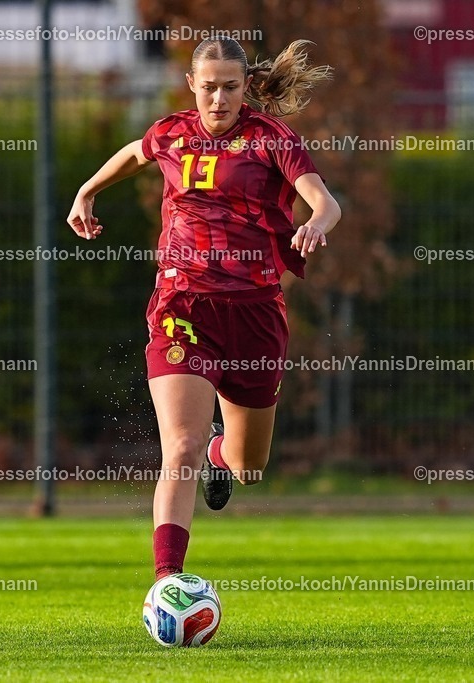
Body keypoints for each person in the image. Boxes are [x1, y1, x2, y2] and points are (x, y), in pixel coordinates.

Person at [67, 37, 341, 580]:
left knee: (249, 466)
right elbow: (134, 153)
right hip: (182, 304)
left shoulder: (271, 140)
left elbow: (325, 201)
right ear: (192, 85)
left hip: (255, 313)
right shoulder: (172, 132)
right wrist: (86, 190)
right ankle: (168, 581)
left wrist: (314, 222)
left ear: (246, 89)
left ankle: (223, 457)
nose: (218, 99)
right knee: (182, 445)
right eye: (208, 88)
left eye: (231, 88)